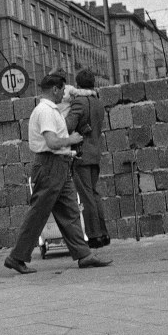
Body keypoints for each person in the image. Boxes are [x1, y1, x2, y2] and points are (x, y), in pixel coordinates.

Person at [4, 73, 112, 275]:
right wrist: (72, 139)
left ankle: (84, 255)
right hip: (49, 165)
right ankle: (16, 257)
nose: (65, 93)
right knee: (38, 213)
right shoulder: (45, 111)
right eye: (63, 89)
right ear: (54, 89)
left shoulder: (50, 110)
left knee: (70, 211)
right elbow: (52, 142)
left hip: (59, 165)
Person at [66, 68, 109, 248]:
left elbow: (67, 127)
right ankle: (103, 233)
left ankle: (94, 236)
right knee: (95, 194)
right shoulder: (98, 102)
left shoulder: (79, 103)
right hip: (95, 152)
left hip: (81, 154)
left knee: (86, 196)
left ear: (78, 84)